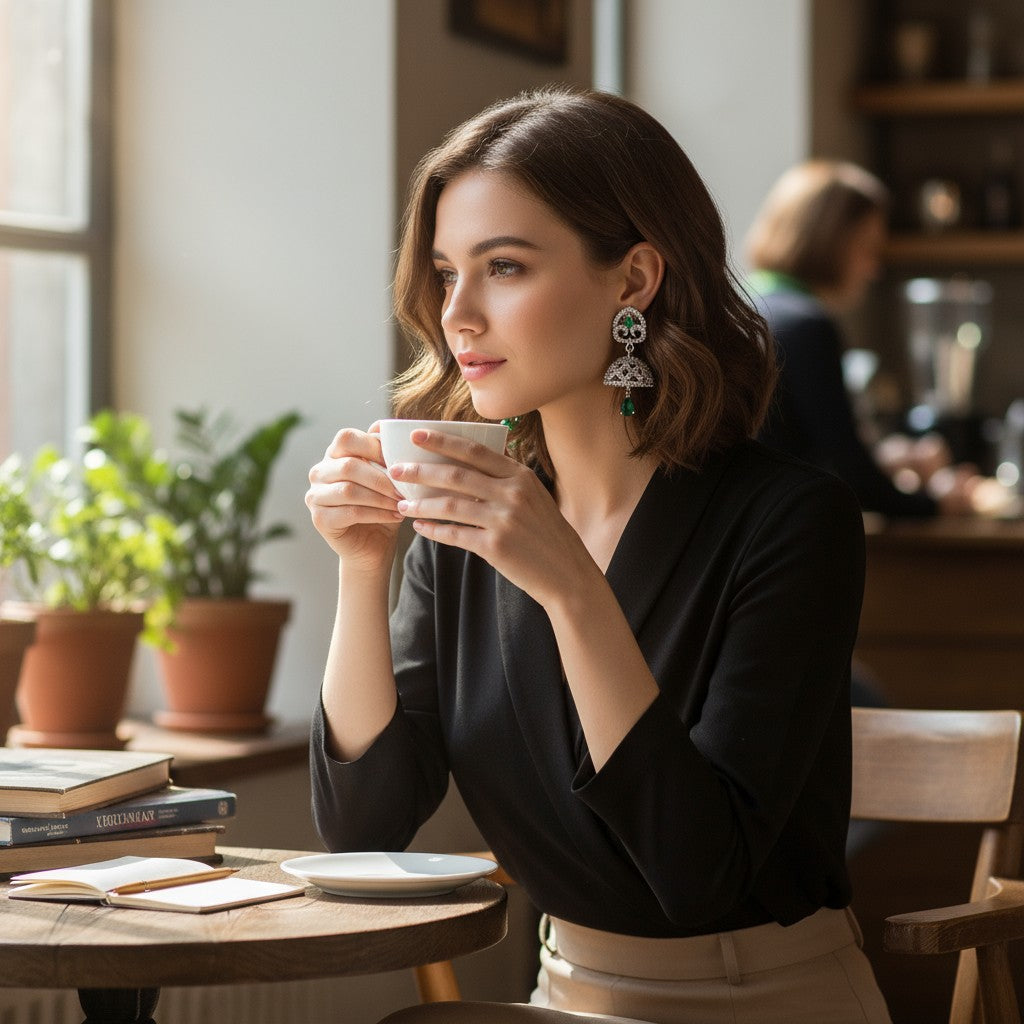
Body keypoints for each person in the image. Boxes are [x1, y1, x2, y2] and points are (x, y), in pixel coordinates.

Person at [305, 88, 891, 1024]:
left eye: (503, 267)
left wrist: (572, 586)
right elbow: (364, 825)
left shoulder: (789, 520)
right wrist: (364, 563)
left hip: (766, 999)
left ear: (633, 281)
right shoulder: (463, 531)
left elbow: (695, 872)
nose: (456, 314)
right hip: (563, 995)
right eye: (446, 272)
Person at [746, 159, 980, 518]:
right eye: (866, 249)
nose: (874, 269)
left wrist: (888, 459)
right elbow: (854, 480)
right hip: (778, 534)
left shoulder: (741, 305)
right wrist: (938, 503)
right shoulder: (808, 325)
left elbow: (797, 450)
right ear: (829, 241)